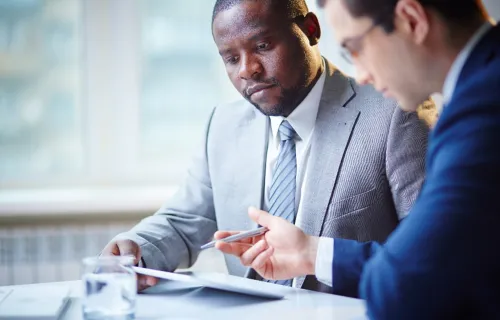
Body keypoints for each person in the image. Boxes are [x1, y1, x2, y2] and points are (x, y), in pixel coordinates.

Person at [101, 0, 428, 293]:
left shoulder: (395, 115)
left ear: (310, 30)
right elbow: (182, 221)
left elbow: (434, 255)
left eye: (263, 45)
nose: (247, 70)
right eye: (231, 58)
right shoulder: (224, 125)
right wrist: (136, 245)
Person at [215, 0, 500, 318]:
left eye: (355, 48)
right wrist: (310, 252)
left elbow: (410, 279)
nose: (361, 75)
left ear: (411, 20)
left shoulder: (483, 109)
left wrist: (315, 254)